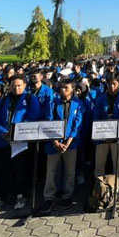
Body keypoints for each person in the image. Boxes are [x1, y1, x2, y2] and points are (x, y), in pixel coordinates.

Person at [0, 75, 39, 213]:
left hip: (20, 142)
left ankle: (21, 195)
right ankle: (0, 198)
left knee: (20, 170)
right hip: (3, 141)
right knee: (1, 171)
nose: (16, 88)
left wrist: (16, 132)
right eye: (13, 85)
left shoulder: (30, 99)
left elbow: (33, 117)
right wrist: (5, 133)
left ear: (24, 86)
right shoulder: (3, 100)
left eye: (19, 85)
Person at [38, 80, 83, 212]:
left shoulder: (78, 104)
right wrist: (55, 141)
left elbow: (77, 124)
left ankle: (67, 195)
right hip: (54, 142)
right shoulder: (54, 103)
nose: (63, 90)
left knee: (70, 171)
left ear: (72, 89)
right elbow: (49, 120)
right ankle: (49, 196)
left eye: (66, 88)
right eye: (62, 87)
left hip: (71, 143)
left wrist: (68, 142)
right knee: (51, 170)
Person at [93, 72, 119, 192]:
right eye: (110, 84)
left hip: (117, 139)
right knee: (99, 165)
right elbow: (96, 118)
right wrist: (103, 135)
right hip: (102, 139)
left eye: (114, 84)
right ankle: (99, 190)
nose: (112, 87)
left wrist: (117, 135)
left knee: (117, 166)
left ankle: (116, 190)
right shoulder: (100, 99)